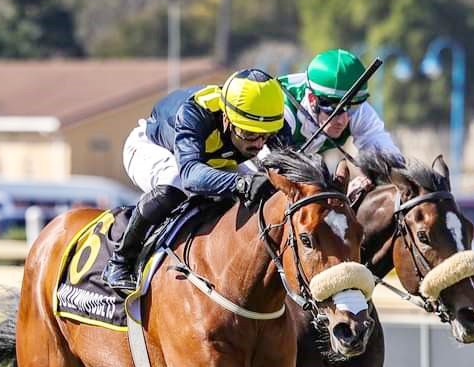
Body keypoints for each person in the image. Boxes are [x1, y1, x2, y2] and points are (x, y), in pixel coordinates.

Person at [102, 68, 289, 289]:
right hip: (155, 148)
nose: (258, 144)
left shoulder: (267, 119)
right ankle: (120, 261)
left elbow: (287, 169)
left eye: (265, 135)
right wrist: (240, 183)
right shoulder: (194, 113)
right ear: (227, 117)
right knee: (174, 183)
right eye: (249, 134)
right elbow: (190, 175)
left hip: (214, 159)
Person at [278, 49, 403, 195]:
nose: (343, 119)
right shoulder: (284, 111)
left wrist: (376, 177)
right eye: (334, 109)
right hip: (252, 166)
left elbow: (391, 160)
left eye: (351, 107)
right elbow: (275, 175)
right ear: (313, 100)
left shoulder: (357, 110)